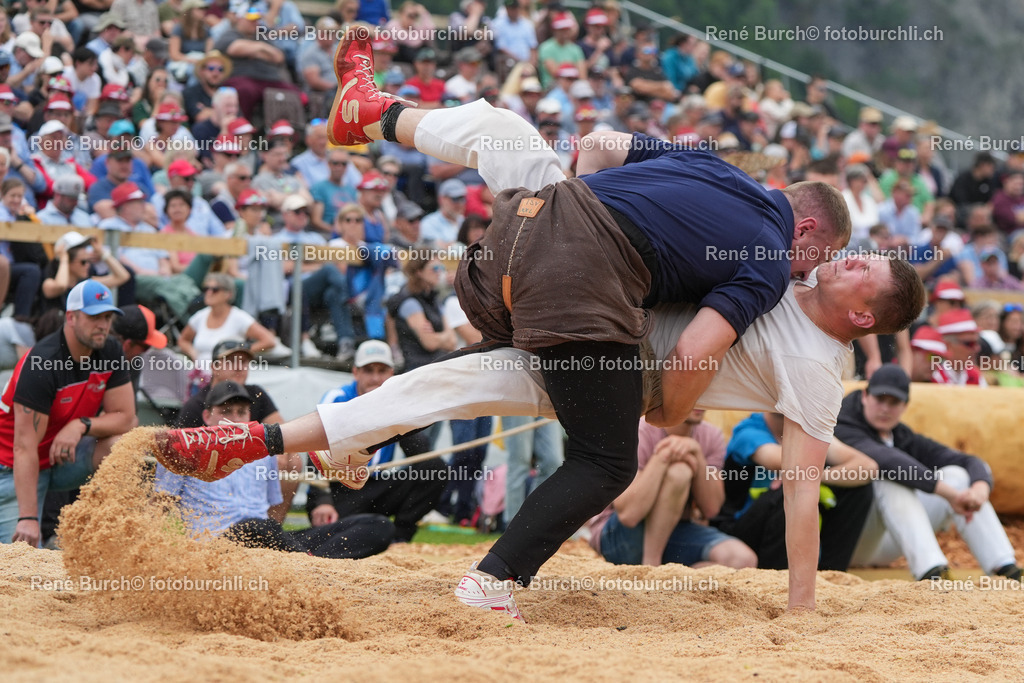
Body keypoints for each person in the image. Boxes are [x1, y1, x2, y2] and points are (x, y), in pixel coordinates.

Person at [152, 26, 925, 619]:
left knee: (450, 359)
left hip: (522, 274)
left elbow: (800, 487)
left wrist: (802, 603)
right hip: (589, 314)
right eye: (843, 254)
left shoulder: (796, 314)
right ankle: (489, 582)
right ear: (811, 237)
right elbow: (696, 345)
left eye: (859, 268)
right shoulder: (764, 261)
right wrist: (669, 409)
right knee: (606, 460)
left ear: (862, 313)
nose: (832, 266)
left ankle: (258, 438)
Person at [156, 380, 394, 559]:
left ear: (250, 415)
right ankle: (308, 566)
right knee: (257, 526)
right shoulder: (187, 450)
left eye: (241, 412)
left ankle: (302, 564)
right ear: (207, 416)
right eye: (226, 411)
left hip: (263, 541)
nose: (235, 419)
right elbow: (160, 507)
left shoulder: (263, 453)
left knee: (378, 525)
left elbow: (273, 512)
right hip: (217, 545)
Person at [835, 365, 1022, 582]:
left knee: (958, 475)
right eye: (880, 399)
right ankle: (932, 573)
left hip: (883, 543)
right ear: (865, 396)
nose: (885, 408)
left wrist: (980, 488)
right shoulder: (842, 424)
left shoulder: (900, 435)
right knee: (889, 477)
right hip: (845, 541)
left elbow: (967, 460)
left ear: (905, 405)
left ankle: (1004, 568)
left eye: (894, 402)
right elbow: (889, 461)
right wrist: (951, 495)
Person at [0, 280, 137, 545]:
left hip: (59, 458)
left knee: (123, 446)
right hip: (12, 470)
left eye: (108, 317)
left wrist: (80, 425)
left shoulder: (110, 349)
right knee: (20, 563)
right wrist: (27, 518)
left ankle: (116, 531)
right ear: (72, 317)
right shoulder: (42, 362)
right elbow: (23, 449)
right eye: (94, 316)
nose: (103, 325)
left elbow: (126, 418)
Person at [309, 341, 445, 542]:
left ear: (391, 374)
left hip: (377, 484)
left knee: (436, 469)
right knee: (341, 538)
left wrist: (401, 415)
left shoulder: (396, 403)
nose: (375, 378)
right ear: (355, 372)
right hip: (339, 488)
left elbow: (421, 455)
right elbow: (313, 452)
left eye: (382, 371)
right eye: (368, 370)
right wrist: (322, 500)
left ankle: (399, 539)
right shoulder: (337, 398)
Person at [588, 410, 756, 569]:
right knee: (679, 472)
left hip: (673, 532)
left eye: (702, 391)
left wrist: (696, 453)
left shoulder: (712, 435)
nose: (698, 400)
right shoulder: (639, 430)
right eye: (690, 390)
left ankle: (669, 578)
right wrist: (663, 457)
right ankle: (651, 567)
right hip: (617, 536)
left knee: (743, 559)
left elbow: (711, 509)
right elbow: (628, 516)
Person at [715, 412, 876, 571]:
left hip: (783, 518)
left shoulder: (808, 428)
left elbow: (868, 467)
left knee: (858, 488)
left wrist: (819, 477)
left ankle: (831, 573)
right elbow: (785, 462)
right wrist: (816, 452)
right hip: (740, 530)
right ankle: (778, 577)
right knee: (790, 491)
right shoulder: (749, 431)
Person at [177, 272, 276, 364]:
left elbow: (269, 341)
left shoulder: (239, 317)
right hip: (201, 376)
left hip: (228, 377)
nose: (209, 293)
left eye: (215, 290)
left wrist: (239, 353)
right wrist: (193, 352)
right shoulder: (200, 316)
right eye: (206, 289)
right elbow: (183, 340)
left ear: (228, 294)